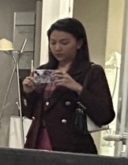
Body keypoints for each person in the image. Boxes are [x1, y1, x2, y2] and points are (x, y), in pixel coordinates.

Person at [21, 18, 115, 154]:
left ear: (79, 43)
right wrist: (28, 92)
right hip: (38, 141)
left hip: (72, 146)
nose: (57, 48)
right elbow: (30, 114)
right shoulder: (43, 71)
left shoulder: (91, 71)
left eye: (64, 43)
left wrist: (78, 88)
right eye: (53, 43)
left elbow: (105, 115)